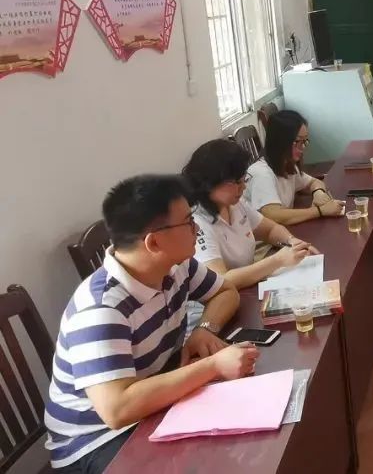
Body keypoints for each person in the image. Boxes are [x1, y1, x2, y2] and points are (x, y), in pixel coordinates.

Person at [44, 175, 258, 473]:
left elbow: (225, 292)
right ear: (154, 241)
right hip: (95, 440)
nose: (196, 229)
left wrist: (205, 328)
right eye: (188, 222)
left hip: (152, 395)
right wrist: (213, 366)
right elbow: (117, 409)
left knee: (243, 438)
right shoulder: (101, 309)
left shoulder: (176, 265)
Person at [184, 138, 319, 294]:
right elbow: (220, 281)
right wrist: (277, 260)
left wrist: (291, 241)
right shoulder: (196, 223)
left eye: (244, 178)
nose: (243, 187)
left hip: (249, 288)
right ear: (209, 183)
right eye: (236, 182)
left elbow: (270, 230)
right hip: (229, 298)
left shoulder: (235, 204)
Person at [247, 110, 344, 226]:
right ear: (280, 141)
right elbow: (273, 215)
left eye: (304, 141)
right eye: (297, 141)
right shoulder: (261, 174)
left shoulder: (287, 164)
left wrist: (318, 192)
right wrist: (320, 211)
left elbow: (313, 182)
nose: (302, 147)